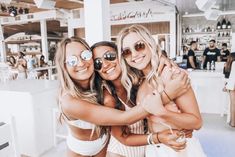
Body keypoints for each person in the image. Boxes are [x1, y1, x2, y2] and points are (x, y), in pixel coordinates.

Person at [55, 37, 190, 157]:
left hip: (108, 145)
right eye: (71, 60)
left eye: (85, 55)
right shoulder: (71, 100)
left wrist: (161, 57)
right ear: (64, 66)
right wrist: (167, 95)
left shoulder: (133, 79)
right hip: (82, 149)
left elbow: (145, 59)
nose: (80, 63)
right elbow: (124, 119)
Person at [117, 24, 206, 157]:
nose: (134, 54)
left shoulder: (172, 75)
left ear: (150, 44)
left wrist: (163, 112)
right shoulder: (140, 80)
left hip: (178, 149)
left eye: (139, 45)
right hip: (155, 148)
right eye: (127, 51)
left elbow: (196, 122)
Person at [91, 41, 192, 157]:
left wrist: (162, 57)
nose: (105, 64)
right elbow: (124, 138)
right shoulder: (108, 99)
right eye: (97, 63)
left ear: (122, 56)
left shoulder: (137, 80)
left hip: (146, 151)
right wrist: (159, 137)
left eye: (109, 56)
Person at [224, 53, 235, 127]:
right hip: (232, 85)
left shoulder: (227, 65)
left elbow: (228, 77)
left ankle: (233, 122)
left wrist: (226, 86)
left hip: (232, 86)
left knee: (233, 104)